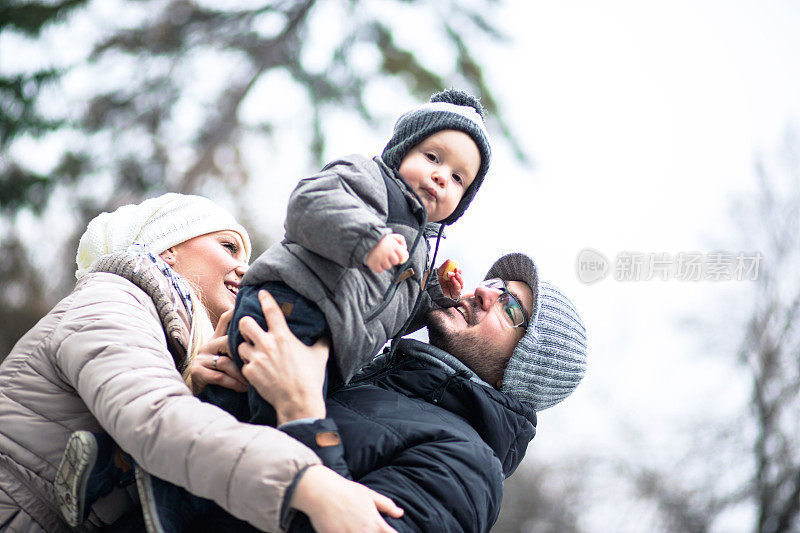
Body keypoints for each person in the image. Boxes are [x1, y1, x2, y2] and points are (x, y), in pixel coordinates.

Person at [0, 193, 402, 533]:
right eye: (228, 247)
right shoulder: (111, 300)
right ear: (167, 249)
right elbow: (155, 420)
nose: (246, 269)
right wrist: (311, 485)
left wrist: (191, 385)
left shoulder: (172, 340)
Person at [107, 251, 586, 531]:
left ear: (526, 369)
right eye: (495, 282)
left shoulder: (471, 470)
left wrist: (301, 408)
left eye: (511, 307)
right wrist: (221, 382)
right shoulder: (367, 369)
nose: (485, 291)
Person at [214, 87, 492, 431]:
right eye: (433, 158)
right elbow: (310, 206)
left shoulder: (422, 249)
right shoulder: (369, 179)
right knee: (251, 415)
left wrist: (434, 294)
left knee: (254, 418)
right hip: (290, 307)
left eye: (457, 178)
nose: (440, 176)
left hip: (331, 352)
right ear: (403, 150)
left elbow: (392, 315)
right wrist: (368, 239)